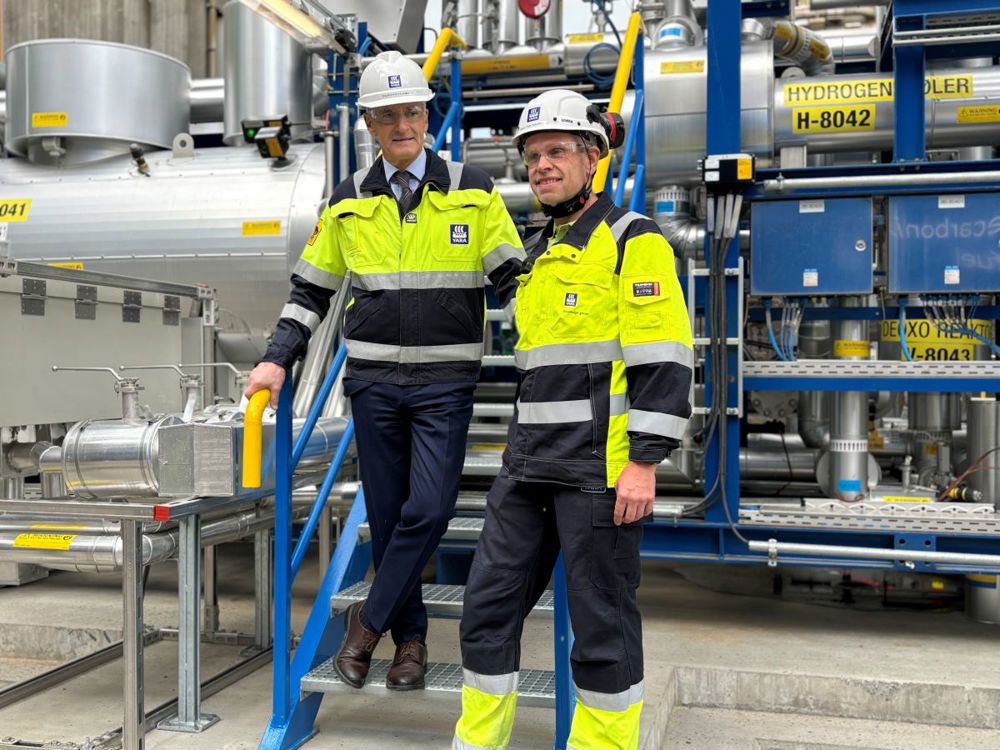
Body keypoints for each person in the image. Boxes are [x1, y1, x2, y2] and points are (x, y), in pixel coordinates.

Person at [245, 50, 524, 692]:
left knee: (429, 509)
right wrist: (273, 358)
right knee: (396, 517)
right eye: (388, 114)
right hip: (373, 387)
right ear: (369, 124)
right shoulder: (346, 204)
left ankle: (365, 626)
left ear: (427, 115)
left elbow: (516, 283)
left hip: (445, 386)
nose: (403, 123)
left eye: (412, 110)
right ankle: (412, 647)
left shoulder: (474, 192)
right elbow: (310, 292)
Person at [452, 90, 694, 749]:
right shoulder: (534, 255)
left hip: (600, 473)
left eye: (557, 151)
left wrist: (644, 460)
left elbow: (664, 358)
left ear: (594, 159)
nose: (541, 165)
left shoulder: (631, 241)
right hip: (526, 467)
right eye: (532, 155)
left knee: (602, 630)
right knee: (485, 612)